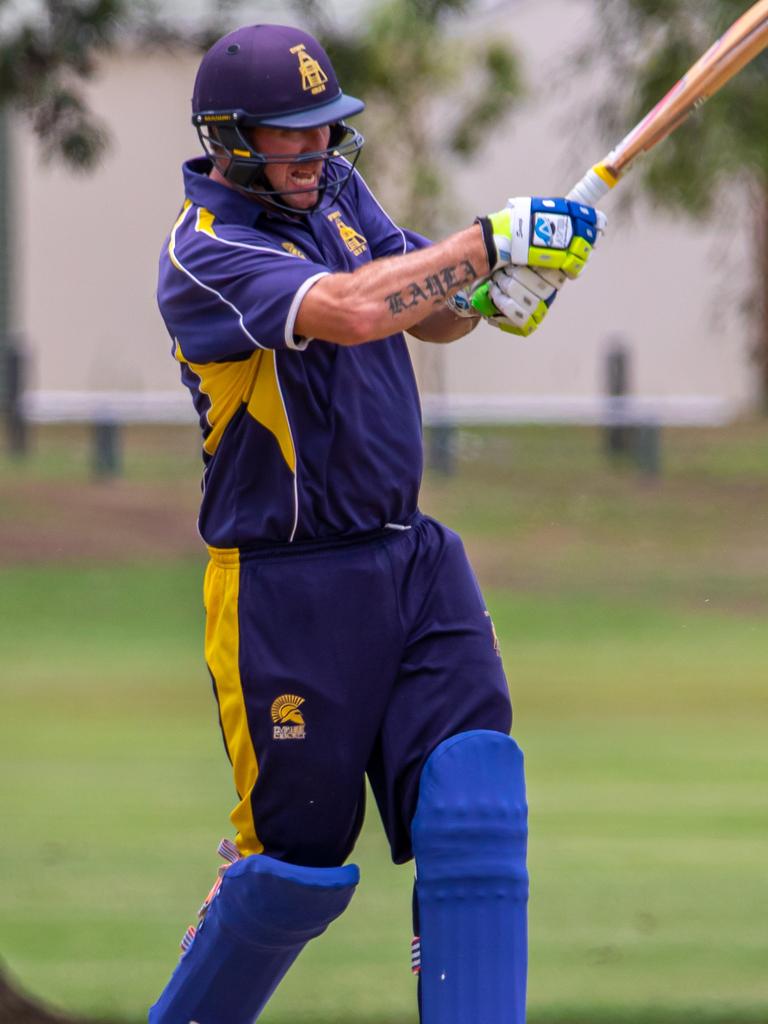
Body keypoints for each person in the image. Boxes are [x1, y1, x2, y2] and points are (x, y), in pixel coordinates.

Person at [150, 23, 605, 1024]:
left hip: (412, 556)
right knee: (294, 871)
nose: (314, 154)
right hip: (285, 588)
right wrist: (485, 241)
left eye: (324, 132)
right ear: (229, 140)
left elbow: (424, 305)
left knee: (476, 795)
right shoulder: (205, 253)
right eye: (289, 138)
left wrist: (498, 285)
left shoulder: (336, 195)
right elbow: (354, 310)